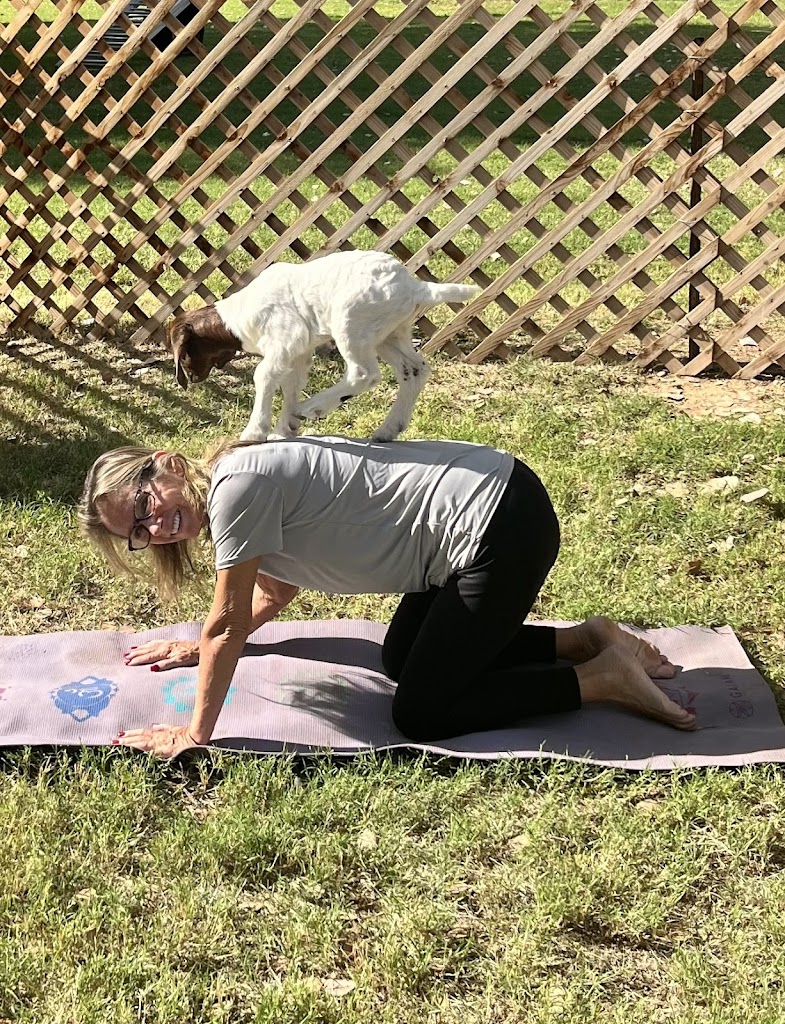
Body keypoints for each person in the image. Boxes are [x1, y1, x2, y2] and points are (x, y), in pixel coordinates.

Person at [78, 435, 696, 758]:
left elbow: (227, 620)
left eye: (143, 503)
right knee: (402, 661)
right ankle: (584, 639)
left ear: (164, 465)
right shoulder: (234, 490)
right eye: (137, 531)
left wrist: (195, 734)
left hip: (498, 527)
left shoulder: (235, 489)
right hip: (481, 522)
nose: (154, 527)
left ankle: (601, 678)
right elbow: (275, 592)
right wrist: (198, 650)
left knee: (423, 711)